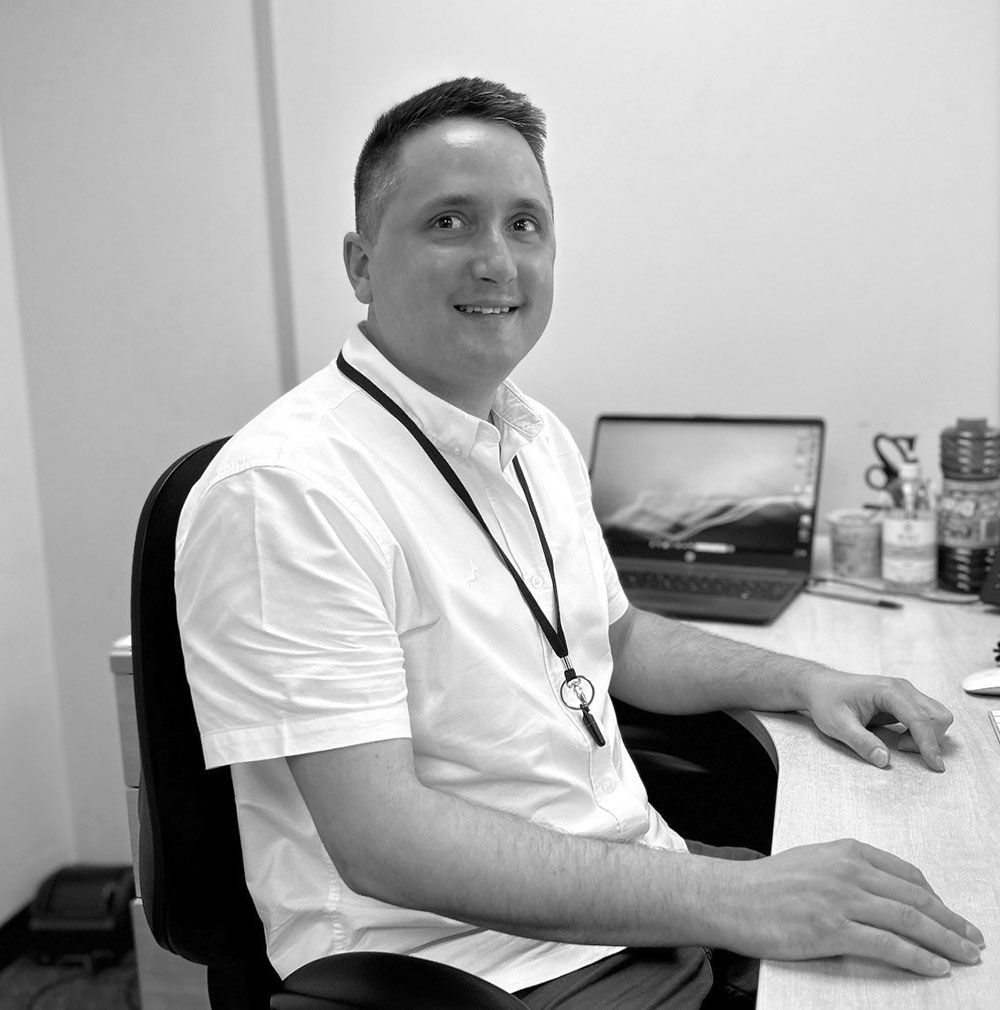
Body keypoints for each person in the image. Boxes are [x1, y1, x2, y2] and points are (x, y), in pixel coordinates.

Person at [175, 77, 984, 1008]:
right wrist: (733, 896)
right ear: (360, 265)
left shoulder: (531, 436)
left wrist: (805, 682)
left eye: (526, 225)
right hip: (465, 965)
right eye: (449, 223)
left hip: (625, 891)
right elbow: (382, 841)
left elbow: (618, 638)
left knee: (938, 919)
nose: (497, 261)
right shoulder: (285, 490)